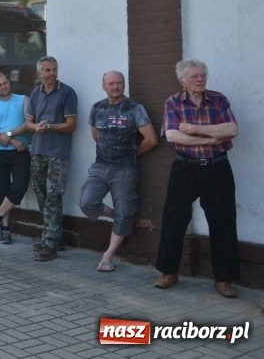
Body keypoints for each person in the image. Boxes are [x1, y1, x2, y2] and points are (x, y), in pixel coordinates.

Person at [154, 59, 240, 298]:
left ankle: (224, 279)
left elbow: (232, 129)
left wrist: (193, 129)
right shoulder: (173, 102)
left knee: (223, 222)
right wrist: (211, 138)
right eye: (194, 76)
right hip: (185, 167)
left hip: (217, 168)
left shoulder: (219, 99)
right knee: (174, 219)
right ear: (183, 81)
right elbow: (172, 135)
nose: (200, 79)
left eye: (203, 75)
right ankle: (168, 272)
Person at [78, 71, 158, 271]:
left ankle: (107, 256)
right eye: (111, 83)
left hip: (124, 170)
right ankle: (118, 216)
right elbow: (96, 135)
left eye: (119, 83)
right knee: (86, 202)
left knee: (125, 211)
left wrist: (130, 154)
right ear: (103, 86)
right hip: (100, 166)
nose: (115, 87)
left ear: (124, 85)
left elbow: (151, 140)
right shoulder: (97, 108)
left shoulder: (134, 109)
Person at [25, 56, 78, 261]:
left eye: (54, 69)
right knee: (41, 196)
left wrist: (50, 126)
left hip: (58, 153)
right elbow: (28, 122)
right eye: (47, 70)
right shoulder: (35, 93)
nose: (52, 73)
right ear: (39, 73)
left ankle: (50, 245)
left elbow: (71, 125)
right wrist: (36, 127)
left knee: (53, 197)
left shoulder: (66, 92)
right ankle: (54, 236)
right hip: (37, 150)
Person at [0, 72, 31, 244]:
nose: (4, 86)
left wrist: (9, 134)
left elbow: (28, 124)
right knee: (1, 190)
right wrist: (12, 139)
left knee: (20, 185)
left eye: (5, 83)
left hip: (21, 152)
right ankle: (5, 229)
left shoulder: (23, 99)